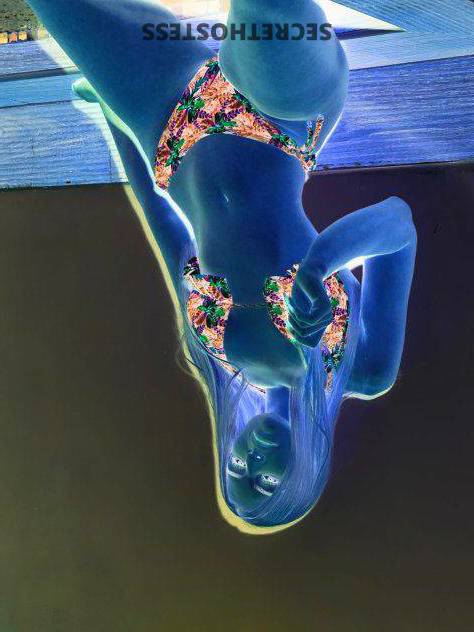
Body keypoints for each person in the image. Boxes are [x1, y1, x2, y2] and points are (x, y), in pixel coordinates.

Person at [28, 0, 417, 533]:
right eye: (267, 480)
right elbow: (397, 224)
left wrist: (114, 117)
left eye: (236, 469)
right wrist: (317, 266)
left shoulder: (211, 361)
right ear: (304, 476)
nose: (251, 461)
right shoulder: (363, 369)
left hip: (167, 124)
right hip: (277, 120)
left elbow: (166, 227)